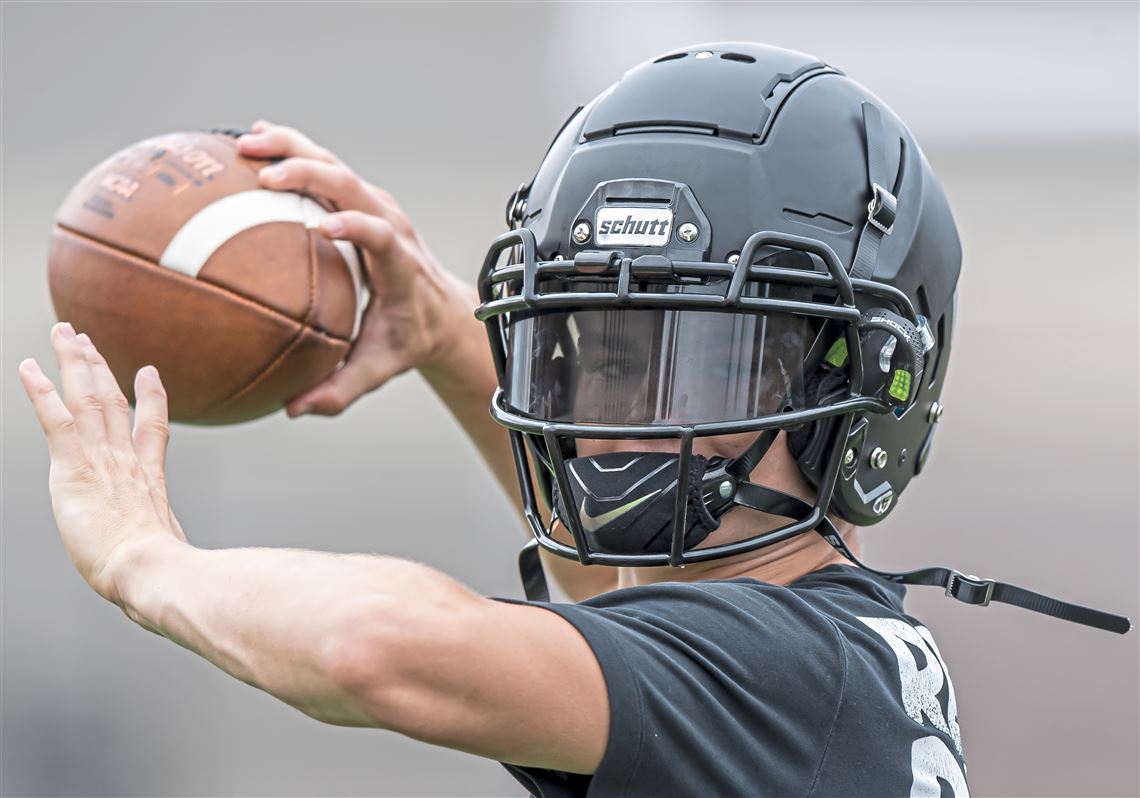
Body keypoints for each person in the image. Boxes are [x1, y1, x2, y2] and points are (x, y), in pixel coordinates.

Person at [19, 43, 1128, 798]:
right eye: (589, 359)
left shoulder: (790, 670)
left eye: (695, 366)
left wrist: (144, 558)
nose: (612, 430)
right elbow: (639, 622)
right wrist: (452, 336)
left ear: (870, 384)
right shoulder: (812, 659)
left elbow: (379, 647)